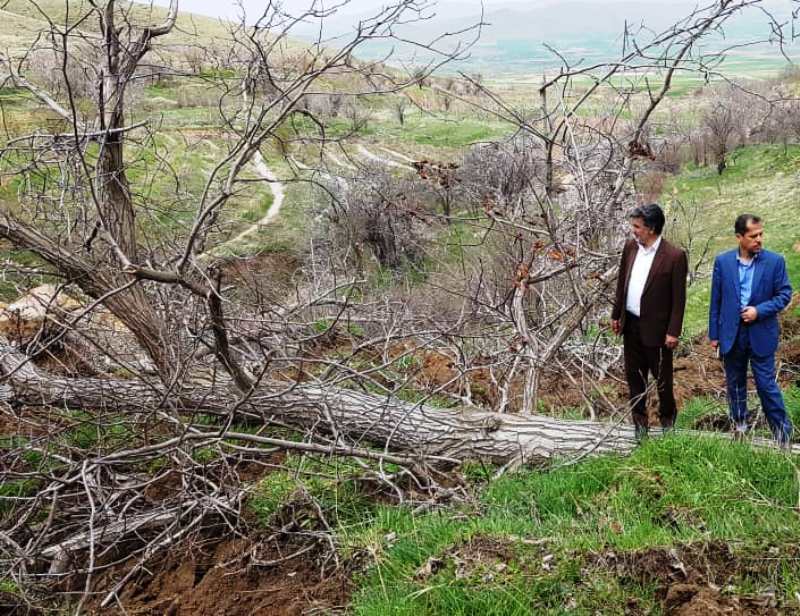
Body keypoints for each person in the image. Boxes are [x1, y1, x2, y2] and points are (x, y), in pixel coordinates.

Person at [708, 214, 793, 445]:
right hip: (731, 334)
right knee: (735, 383)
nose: (759, 239)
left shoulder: (775, 262)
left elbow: (785, 294)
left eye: (760, 234)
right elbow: (716, 299)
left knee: (766, 385)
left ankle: (782, 434)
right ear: (739, 237)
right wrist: (714, 335)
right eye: (753, 236)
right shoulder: (723, 262)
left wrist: (759, 310)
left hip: (761, 332)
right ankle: (740, 428)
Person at [612, 204, 688, 440]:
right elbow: (621, 284)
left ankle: (667, 426)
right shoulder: (629, 248)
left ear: (652, 228)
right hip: (631, 326)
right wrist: (616, 315)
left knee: (663, 382)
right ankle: (640, 430)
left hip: (659, 332)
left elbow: (679, 299)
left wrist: (673, 332)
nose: (633, 231)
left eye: (637, 227)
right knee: (635, 380)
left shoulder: (674, 256)